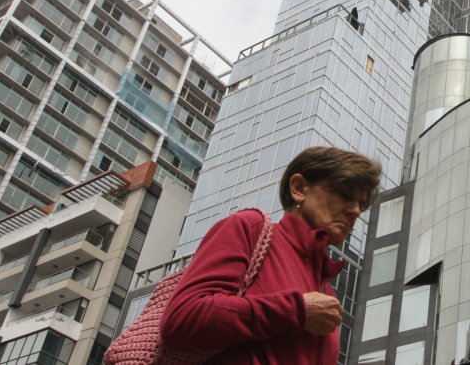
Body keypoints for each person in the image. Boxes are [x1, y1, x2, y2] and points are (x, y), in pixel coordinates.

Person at [161, 146, 381, 364]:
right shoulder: (250, 228)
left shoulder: (328, 292)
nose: (355, 211)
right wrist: (296, 310)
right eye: (344, 194)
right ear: (299, 188)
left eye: (361, 204)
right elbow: (182, 318)